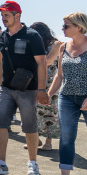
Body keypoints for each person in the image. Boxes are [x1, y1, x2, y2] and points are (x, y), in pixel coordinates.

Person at [0, 1, 48, 175]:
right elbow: (1, 60)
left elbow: (42, 63)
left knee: (29, 126)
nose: (3, 18)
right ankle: (1, 163)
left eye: (6, 15)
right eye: (2, 15)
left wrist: (41, 89)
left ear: (17, 16)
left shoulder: (32, 35)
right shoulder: (3, 36)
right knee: (0, 123)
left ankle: (33, 163)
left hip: (28, 89)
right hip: (7, 88)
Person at [46, 12, 87, 175]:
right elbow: (60, 75)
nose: (62, 28)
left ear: (79, 27)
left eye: (66, 26)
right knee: (66, 137)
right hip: (67, 97)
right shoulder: (63, 47)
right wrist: (48, 95)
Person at [26, 22, 61, 152]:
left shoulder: (56, 44)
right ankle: (36, 139)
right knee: (32, 111)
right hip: (34, 81)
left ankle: (48, 141)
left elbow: (49, 60)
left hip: (51, 83)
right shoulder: (34, 44)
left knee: (50, 112)